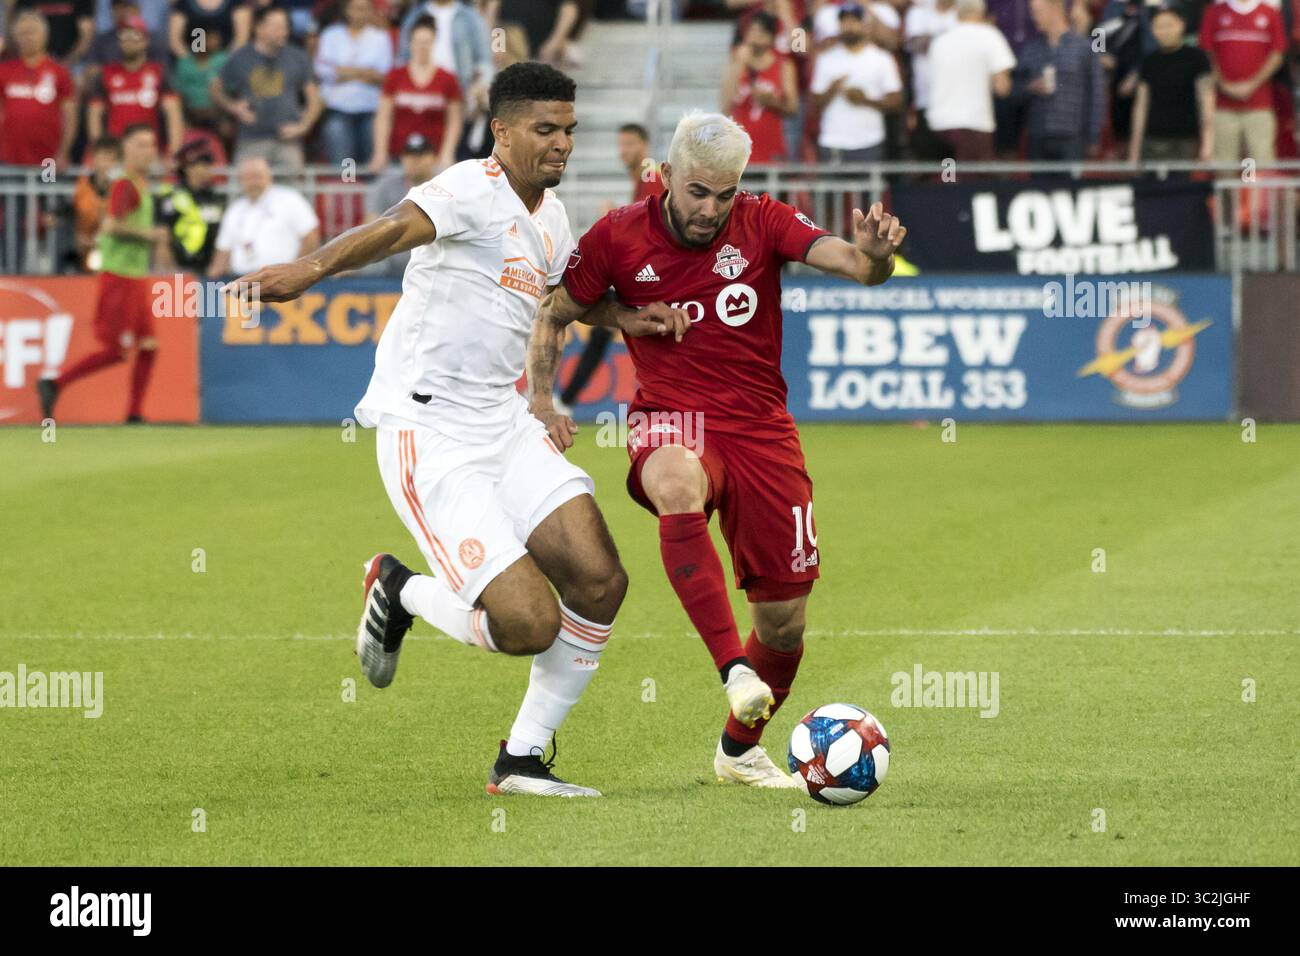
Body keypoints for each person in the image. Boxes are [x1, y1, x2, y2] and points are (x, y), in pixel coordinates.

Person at [227, 63, 679, 797]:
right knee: (528, 623)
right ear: (500, 133)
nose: (561, 143)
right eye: (544, 129)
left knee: (600, 581)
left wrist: (625, 317)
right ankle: (398, 589)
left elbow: (563, 298)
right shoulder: (471, 186)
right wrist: (310, 268)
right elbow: (395, 228)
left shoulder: (551, 214)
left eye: (569, 129)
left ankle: (522, 760)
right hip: (429, 431)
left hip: (500, 422)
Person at [527, 110, 907, 787]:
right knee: (676, 482)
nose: (710, 209)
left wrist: (875, 257)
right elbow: (560, 308)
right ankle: (732, 667)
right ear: (666, 176)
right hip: (672, 419)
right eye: (697, 192)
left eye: (724, 193)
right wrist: (543, 399)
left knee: (785, 626)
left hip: (762, 431)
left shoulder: (763, 221)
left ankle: (739, 751)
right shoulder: (618, 234)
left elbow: (855, 266)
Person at [38, 124, 168, 424]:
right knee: (116, 350)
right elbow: (111, 225)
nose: (148, 150)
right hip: (119, 276)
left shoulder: (138, 183)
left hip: (134, 276)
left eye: (150, 144)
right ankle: (55, 383)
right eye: (140, 144)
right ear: (126, 149)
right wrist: (151, 235)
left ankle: (135, 413)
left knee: (148, 346)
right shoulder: (126, 185)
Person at [555, 122, 666, 415]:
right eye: (620, 144)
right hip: (650, 273)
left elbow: (650, 228)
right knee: (608, 332)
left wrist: (613, 216)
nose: (623, 150)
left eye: (629, 144)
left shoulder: (652, 176)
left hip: (658, 275)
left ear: (644, 146)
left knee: (603, 327)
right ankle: (565, 399)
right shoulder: (645, 179)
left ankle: (564, 399)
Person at [211, 4, 321, 170]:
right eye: (277, 27)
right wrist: (233, 107)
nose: (283, 32)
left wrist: (304, 126)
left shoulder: (298, 57)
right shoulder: (240, 58)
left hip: (288, 140)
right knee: (245, 189)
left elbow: (315, 98)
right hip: (251, 139)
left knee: (293, 193)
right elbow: (215, 89)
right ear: (259, 28)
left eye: (285, 27)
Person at [397, 0, 494, 161]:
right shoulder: (415, 15)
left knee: (459, 155)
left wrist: (479, 88)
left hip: (461, 94)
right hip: (422, 92)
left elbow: (484, 61)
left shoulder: (469, 17)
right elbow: (402, 57)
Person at [368, 14, 462, 173]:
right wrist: (380, 152)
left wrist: (447, 153)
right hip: (399, 155)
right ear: (410, 43)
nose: (422, 46)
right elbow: (384, 116)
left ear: (434, 42)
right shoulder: (395, 76)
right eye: (418, 42)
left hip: (434, 157)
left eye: (426, 42)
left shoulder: (448, 78)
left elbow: (454, 120)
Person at [809, 2, 902, 164]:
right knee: (830, 189)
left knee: (870, 189)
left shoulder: (881, 58)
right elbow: (814, 103)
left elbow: (896, 102)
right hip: (833, 141)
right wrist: (832, 89)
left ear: (865, 25)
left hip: (870, 140)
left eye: (854, 21)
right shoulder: (826, 59)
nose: (849, 26)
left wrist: (865, 100)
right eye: (845, 22)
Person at [1198, 0, 1287, 165]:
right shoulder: (1214, 11)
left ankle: (1253, 190)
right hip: (1223, 107)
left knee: (1258, 164)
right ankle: (1229, 193)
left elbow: (1277, 54)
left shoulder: (1269, 12)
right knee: (1224, 166)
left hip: (1259, 106)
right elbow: (1207, 53)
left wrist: (1251, 85)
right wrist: (1224, 85)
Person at [926, 0, 1016, 161]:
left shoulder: (940, 40)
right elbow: (1002, 88)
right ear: (981, 11)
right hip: (972, 125)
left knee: (947, 179)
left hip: (938, 125)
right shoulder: (990, 35)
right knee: (970, 184)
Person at [1016, 0, 1106, 160]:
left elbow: (1097, 95)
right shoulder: (1031, 49)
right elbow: (1015, 90)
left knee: (1070, 185)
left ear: (1056, 9)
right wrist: (1030, 87)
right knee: (1038, 185)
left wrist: (1093, 137)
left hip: (1072, 136)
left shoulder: (1084, 48)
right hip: (1038, 134)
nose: (1033, 17)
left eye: (1038, 11)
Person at [86, 15, 183, 155]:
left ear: (145, 41)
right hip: (116, 152)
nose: (129, 40)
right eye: (124, 35)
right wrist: (99, 151)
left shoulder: (159, 73)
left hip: (149, 152)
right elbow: (94, 115)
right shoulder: (106, 73)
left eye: (134, 35)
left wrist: (174, 152)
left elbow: (173, 114)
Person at [207, 157, 320, 277]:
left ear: (269, 176)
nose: (253, 183)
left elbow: (310, 237)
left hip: (281, 280)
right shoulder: (234, 210)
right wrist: (211, 280)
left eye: (257, 176)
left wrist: (294, 272)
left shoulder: (289, 199)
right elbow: (223, 250)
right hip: (242, 282)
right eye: (247, 178)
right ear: (240, 181)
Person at [1129, 6, 1213, 162]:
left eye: (1169, 25)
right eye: (1159, 27)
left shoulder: (1197, 58)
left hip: (1186, 140)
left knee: (1182, 186)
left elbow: (1206, 101)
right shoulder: (1149, 61)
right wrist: (1134, 150)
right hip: (1153, 139)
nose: (1164, 31)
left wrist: (1208, 143)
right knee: (1151, 186)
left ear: (1181, 25)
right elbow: (1141, 106)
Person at [315, 0, 393, 165]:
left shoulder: (380, 37)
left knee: (371, 161)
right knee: (344, 162)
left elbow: (384, 74)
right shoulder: (331, 34)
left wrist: (344, 71)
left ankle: (372, 190)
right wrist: (364, 72)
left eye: (364, 9)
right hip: (338, 107)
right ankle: (345, 187)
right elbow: (323, 69)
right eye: (356, 8)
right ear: (346, 11)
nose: (360, 13)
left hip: (371, 108)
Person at [0, 11, 78, 168]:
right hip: (9, 157)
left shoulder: (59, 72)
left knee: (48, 191)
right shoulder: (4, 71)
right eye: (22, 33)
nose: (27, 37)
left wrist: (64, 152)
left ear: (45, 35)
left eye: (31, 32)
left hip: (49, 159)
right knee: (12, 192)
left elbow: (70, 116)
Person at [721, 11, 798, 164]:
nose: (755, 36)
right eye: (752, 31)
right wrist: (737, 65)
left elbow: (792, 109)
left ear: (771, 37)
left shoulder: (783, 65)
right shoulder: (736, 62)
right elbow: (725, 106)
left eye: (761, 32)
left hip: (772, 148)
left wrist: (771, 102)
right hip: (739, 151)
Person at [364, 132, 439, 276]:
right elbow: (371, 225)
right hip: (391, 262)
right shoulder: (386, 186)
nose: (415, 161)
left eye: (421, 155)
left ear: (432, 158)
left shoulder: (444, 187)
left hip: (434, 262)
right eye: (410, 156)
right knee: (366, 260)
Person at [155, 139, 227, 274]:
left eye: (209, 165)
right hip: (181, 269)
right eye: (203, 165)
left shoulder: (216, 198)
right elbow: (162, 239)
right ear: (188, 168)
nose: (208, 170)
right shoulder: (171, 196)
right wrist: (170, 273)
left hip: (211, 271)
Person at [69, 136, 122, 271]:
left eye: (112, 159)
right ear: (93, 160)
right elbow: (72, 209)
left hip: (115, 253)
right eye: (103, 158)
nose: (107, 164)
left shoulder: (123, 188)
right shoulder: (82, 186)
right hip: (84, 249)